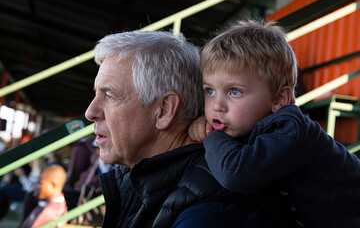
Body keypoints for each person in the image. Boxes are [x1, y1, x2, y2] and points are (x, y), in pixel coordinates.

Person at [84, 30, 296, 227]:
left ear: (165, 110)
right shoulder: (138, 182)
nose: (90, 112)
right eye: (96, 94)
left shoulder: (214, 211)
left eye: (110, 95)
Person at [188, 19, 360, 228]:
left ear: (279, 99)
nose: (217, 106)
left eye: (235, 92)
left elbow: (236, 174)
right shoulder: (248, 122)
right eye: (210, 91)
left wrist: (212, 136)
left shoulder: (290, 129)